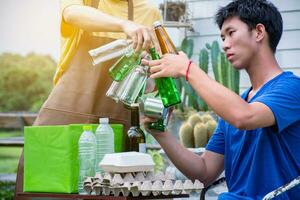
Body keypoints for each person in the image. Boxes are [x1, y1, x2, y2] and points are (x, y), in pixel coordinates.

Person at [142, 0, 300, 199]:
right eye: (222, 37)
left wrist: (187, 69)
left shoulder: (292, 88)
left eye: (231, 33)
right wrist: (161, 134)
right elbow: (204, 172)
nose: (224, 45)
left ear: (259, 32)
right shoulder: (237, 106)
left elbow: (245, 117)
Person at [14, 0, 161, 199]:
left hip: (117, 120)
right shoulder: (83, 4)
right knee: (43, 183)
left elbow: (155, 75)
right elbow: (71, 14)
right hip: (66, 110)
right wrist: (124, 25)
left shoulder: (149, 12)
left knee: (110, 191)